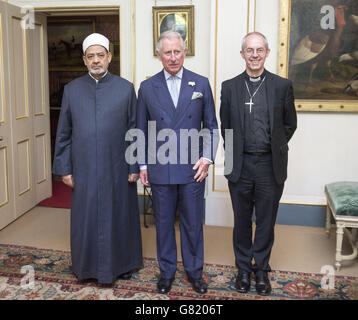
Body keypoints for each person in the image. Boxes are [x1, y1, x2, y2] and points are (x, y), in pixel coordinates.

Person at [52, 33, 143, 284]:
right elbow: (64, 133)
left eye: (100, 55)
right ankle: (86, 267)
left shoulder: (125, 89)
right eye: (90, 56)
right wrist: (65, 169)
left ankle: (123, 265)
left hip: (118, 167)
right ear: (84, 60)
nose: (95, 61)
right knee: (86, 219)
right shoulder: (72, 90)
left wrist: (134, 164)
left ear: (109, 57)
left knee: (119, 217)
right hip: (84, 169)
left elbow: (134, 131)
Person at [137, 31, 218, 294]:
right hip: (160, 167)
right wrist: (142, 165)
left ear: (185, 52)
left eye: (177, 51)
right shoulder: (147, 88)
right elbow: (140, 129)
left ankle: (195, 272)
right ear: (159, 55)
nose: (173, 57)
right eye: (167, 52)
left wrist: (207, 158)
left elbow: (212, 126)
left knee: (193, 223)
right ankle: (167, 271)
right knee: (162, 224)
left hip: (192, 169)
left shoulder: (201, 84)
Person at [219, 32, 297, 295]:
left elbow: (290, 124)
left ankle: (261, 269)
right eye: (249, 50)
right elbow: (225, 127)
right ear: (242, 54)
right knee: (241, 220)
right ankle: (243, 268)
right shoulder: (229, 87)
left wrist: (272, 146)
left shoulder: (282, 86)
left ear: (267, 52)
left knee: (265, 221)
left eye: (259, 50)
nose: (254, 55)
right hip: (239, 165)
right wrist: (235, 153)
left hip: (269, 165)